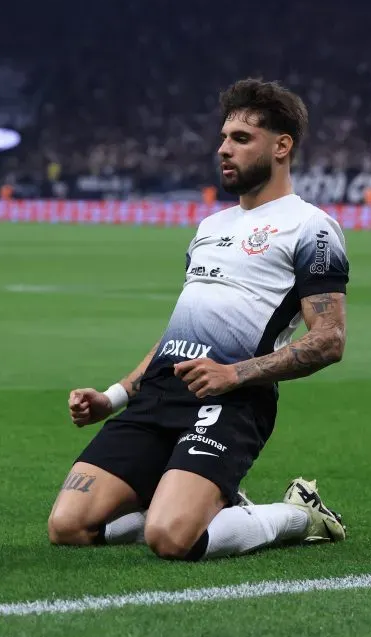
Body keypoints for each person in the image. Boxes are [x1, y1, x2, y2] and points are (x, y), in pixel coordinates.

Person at [48, 78, 349, 562]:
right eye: (224, 137)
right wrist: (113, 397)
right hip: (161, 395)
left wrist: (234, 374)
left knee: (169, 539)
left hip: (230, 400)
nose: (223, 149)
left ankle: (300, 514)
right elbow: (177, 335)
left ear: (282, 146)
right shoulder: (210, 227)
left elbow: (330, 339)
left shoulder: (311, 227)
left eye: (240, 139)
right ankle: (204, 500)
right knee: (68, 526)